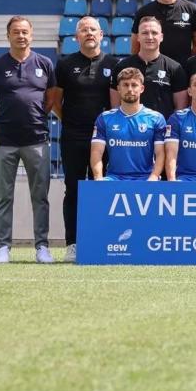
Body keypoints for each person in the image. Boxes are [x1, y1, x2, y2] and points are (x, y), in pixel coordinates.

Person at [0, 15, 57, 264]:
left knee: (40, 197)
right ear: (8, 35)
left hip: (37, 141)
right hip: (5, 142)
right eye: (16, 32)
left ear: (31, 35)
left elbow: (50, 100)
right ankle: (3, 247)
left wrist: (34, 119)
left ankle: (42, 247)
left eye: (25, 32)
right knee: (4, 197)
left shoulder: (45, 63)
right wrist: (3, 123)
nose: (21, 36)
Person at [52, 16, 117, 263]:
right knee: (74, 189)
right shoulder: (65, 65)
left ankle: (104, 240)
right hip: (74, 137)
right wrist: (72, 121)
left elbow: (115, 105)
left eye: (93, 29)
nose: (89, 33)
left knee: (104, 188)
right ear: (76, 36)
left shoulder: (113, 64)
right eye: (83, 30)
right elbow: (55, 102)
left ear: (101, 35)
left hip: (105, 139)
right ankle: (73, 244)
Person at [90, 67, 168, 181]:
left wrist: (154, 176)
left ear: (142, 88)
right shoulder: (105, 118)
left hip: (146, 178)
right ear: (118, 88)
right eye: (125, 85)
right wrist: (98, 177)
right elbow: (96, 152)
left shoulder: (156, 118)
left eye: (134, 85)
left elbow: (160, 153)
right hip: (114, 178)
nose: (130, 89)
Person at [112, 16, 188, 119]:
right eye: (145, 33)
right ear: (138, 37)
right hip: (128, 127)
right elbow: (115, 107)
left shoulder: (175, 68)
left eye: (154, 33)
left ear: (161, 37)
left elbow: (180, 109)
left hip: (162, 127)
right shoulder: (122, 66)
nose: (150, 37)